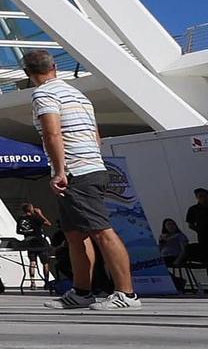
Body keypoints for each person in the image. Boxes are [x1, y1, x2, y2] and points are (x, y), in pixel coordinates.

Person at [24, 50, 138, 311]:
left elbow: (53, 133)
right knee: (75, 234)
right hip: (91, 166)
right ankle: (81, 292)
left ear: (28, 74)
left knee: (101, 231)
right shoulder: (78, 95)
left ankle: (126, 294)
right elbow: (96, 135)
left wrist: (60, 171)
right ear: (54, 67)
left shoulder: (44, 94)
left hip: (76, 172)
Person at [15, 203, 54, 282]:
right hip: (40, 242)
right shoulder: (35, 218)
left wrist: (27, 233)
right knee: (45, 262)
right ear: (31, 209)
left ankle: (32, 281)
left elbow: (18, 231)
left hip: (30, 242)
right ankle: (46, 281)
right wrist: (40, 214)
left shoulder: (20, 219)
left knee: (32, 262)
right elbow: (48, 224)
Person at [158, 219, 192, 293]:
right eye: (168, 225)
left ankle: (177, 282)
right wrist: (161, 242)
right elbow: (160, 249)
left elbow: (184, 249)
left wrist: (178, 259)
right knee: (156, 266)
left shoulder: (180, 236)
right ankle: (176, 280)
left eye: (172, 224)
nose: (170, 226)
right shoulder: (163, 236)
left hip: (174, 256)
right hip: (164, 256)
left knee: (160, 265)